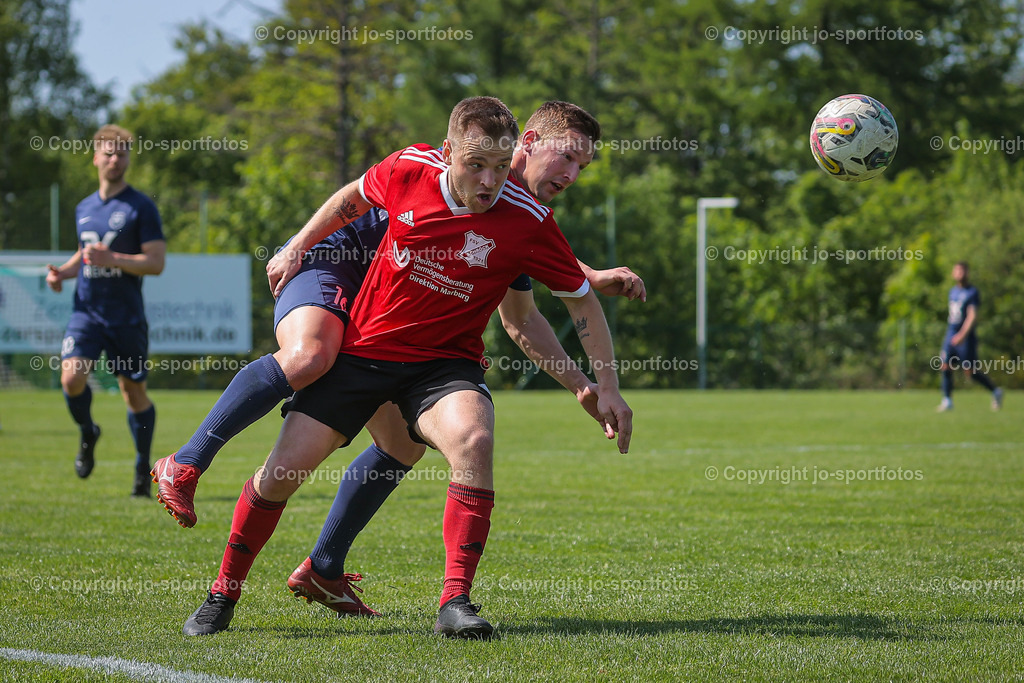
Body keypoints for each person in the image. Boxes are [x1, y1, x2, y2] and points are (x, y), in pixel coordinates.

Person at [179, 97, 632, 640]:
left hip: (442, 365)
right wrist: (297, 246)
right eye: (476, 165)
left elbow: (556, 307)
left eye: (583, 165)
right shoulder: (410, 169)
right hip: (361, 341)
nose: (489, 180)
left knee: (471, 439)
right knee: (283, 469)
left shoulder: (529, 220)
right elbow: (352, 198)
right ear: (449, 153)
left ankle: (454, 601)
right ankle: (222, 588)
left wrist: (601, 386)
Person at [46, 125, 165, 497]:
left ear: (128, 159)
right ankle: (88, 431)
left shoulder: (141, 207)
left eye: (122, 154)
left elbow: (156, 262)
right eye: (109, 153)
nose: (116, 160)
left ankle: (142, 469)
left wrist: (113, 258)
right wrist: (62, 273)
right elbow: (85, 254)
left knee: (133, 393)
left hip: (125, 316)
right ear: (96, 157)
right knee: (71, 379)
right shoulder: (84, 207)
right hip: (86, 312)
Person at [937, 261, 1003, 412]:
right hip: (951, 334)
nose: (959, 273)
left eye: (962, 270)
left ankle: (995, 391)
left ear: (967, 273)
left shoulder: (972, 292)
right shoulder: (952, 291)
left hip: (966, 337)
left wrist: (962, 335)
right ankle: (947, 401)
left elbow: (972, 316)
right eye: (956, 270)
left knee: (970, 372)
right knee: (945, 365)